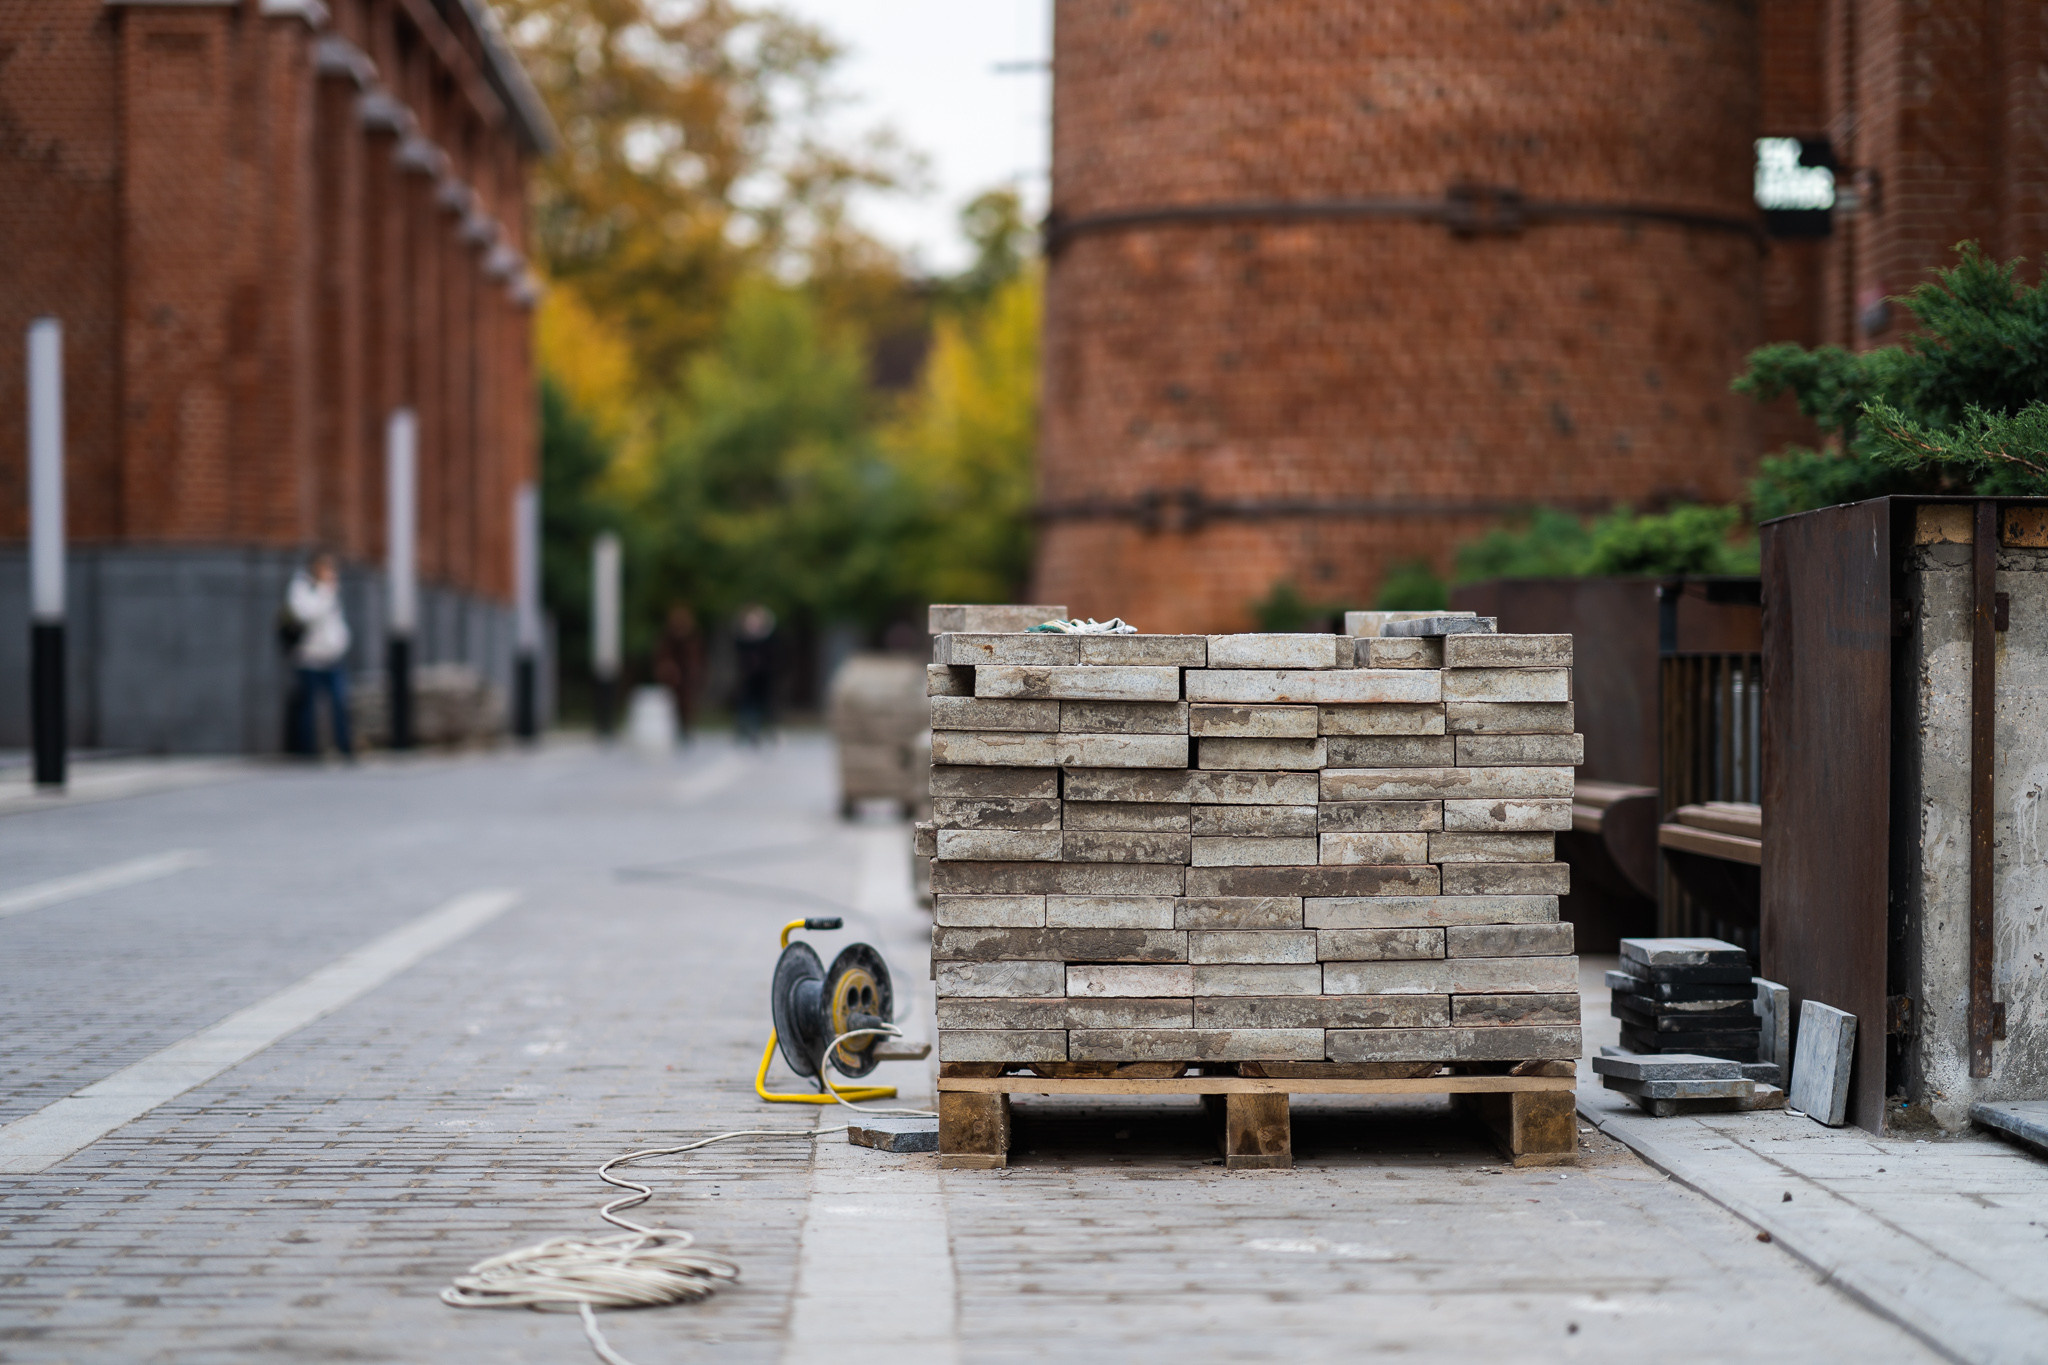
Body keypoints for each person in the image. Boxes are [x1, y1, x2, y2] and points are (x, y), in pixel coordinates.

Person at [286, 552, 354, 758]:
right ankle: (306, 750)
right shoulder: (302, 589)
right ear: (315, 568)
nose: (330, 573)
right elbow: (308, 615)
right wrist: (326, 591)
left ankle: (345, 748)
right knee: (308, 706)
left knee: (340, 702)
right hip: (309, 658)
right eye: (326, 568)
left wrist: (342, 642)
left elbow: (335, 622)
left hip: (332, 657)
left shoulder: (330, 590)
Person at [655, 603, 704, 742]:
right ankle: (671, 731)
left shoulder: (693, 638)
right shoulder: (667, 638)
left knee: (687, 706)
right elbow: (662, 657)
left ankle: (685, 731)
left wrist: (696, 673)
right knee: (669, 706)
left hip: (688, 678)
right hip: (672, 679)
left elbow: (697, 659)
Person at [732, 604, 777, 745]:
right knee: (747, 705)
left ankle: (763, 730)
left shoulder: (768, 639)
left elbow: (774, 657)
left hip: (763, 678)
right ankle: (746, 730)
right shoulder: (742, 640)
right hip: (748, 677)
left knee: (764, 705)